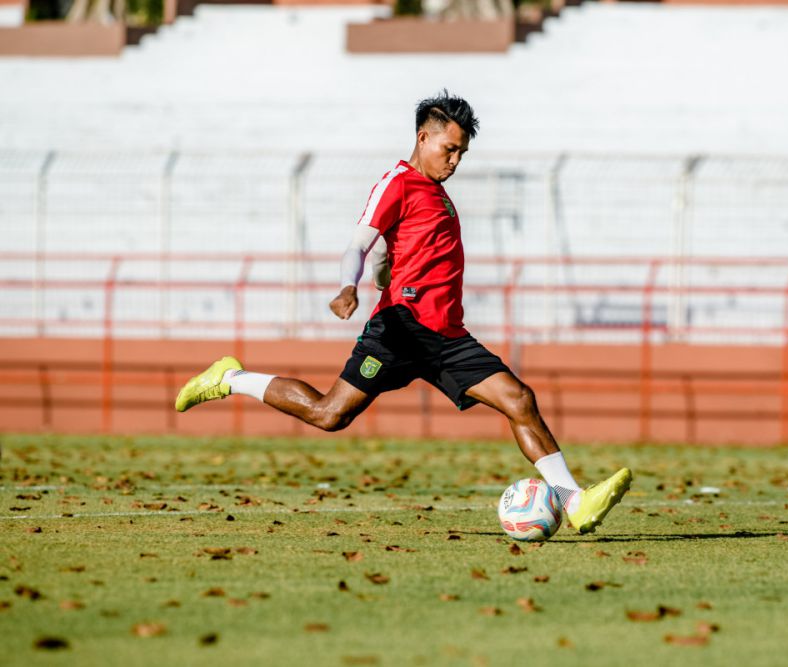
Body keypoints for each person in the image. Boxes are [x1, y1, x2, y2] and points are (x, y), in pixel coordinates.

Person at [175, 91, 632, 533]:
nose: (455, 161)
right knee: (329, 414)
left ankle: (575, 501)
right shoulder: (398, 182)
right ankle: (230, 378)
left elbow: (389, 254)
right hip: (401, 329)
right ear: (422, 138)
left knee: (520, 400)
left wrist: (381, 270)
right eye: (450, 149)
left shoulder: (436, 192)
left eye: (462, 154)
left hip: (447, 337)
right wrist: (346, 286)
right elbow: (359, 243)